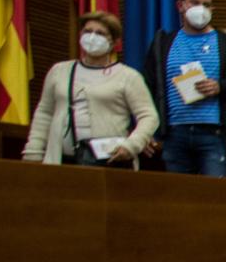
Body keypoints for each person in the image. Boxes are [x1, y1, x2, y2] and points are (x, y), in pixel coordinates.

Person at [141, 0, 226, 177]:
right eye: (194, 2)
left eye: (206, 5)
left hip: (215, 134)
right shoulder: (163, 43)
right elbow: (148, 88)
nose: (201, 9)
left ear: (212, 9)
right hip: (174, 133)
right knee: (177, 196)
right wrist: (148, 130)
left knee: (213, 196)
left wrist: (221, 86)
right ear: (180, 6)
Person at [22, 11, 157, 167]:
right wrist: (33, 151)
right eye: (87, 31)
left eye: (100, 33)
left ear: (114, 42)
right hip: (60, 161)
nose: (92, 37)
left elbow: (149, 116)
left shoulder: (128, 76)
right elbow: (44, 113)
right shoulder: (59, 71)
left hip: (108, 162)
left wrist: (132, 145)